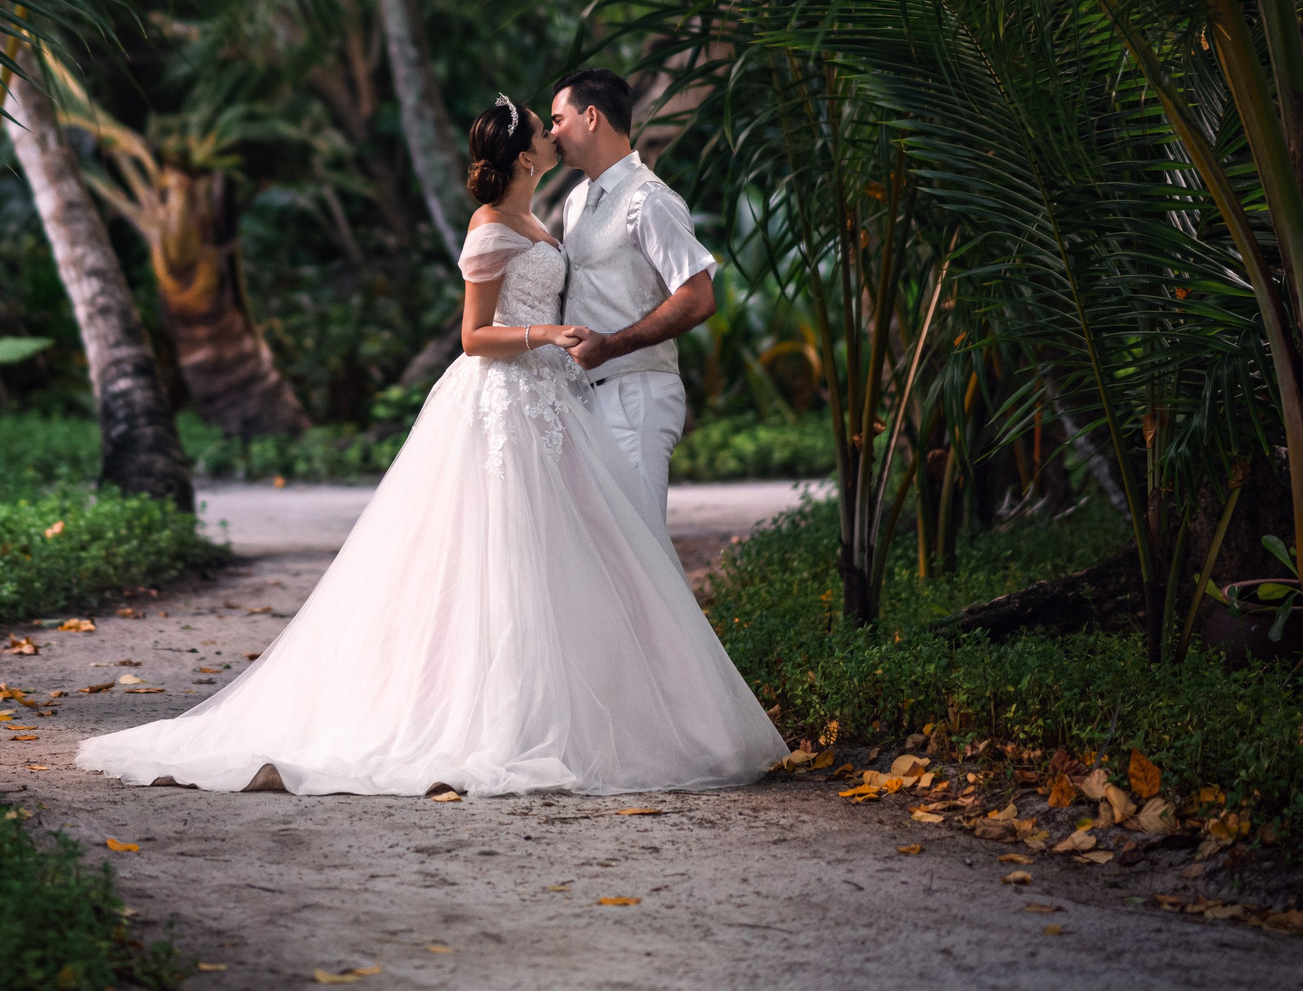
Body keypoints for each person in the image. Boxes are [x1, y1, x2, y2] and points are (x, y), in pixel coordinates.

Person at [74, 94, 785, 797]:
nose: (554, 133)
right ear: (524, 152)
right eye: (544, 129)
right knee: (505, 557)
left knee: (584, 560)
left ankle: (621, 717)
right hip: (509, 397)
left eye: (557, 120)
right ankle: (522, 719)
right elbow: (475, 335)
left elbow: (651, 294)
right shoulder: (501, 224)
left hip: (561, 400)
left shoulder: (559, 212)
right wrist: (546, 337)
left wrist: (564, 343)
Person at [550, 68, 717, 524]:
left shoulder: (651, 200)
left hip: (636, 396)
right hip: (585, 399)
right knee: (604, 556)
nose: (551, 133)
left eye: (557, 120)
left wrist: (612, 344)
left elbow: (699, 296)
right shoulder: (575, 200)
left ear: (590, 117)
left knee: (643, 552)